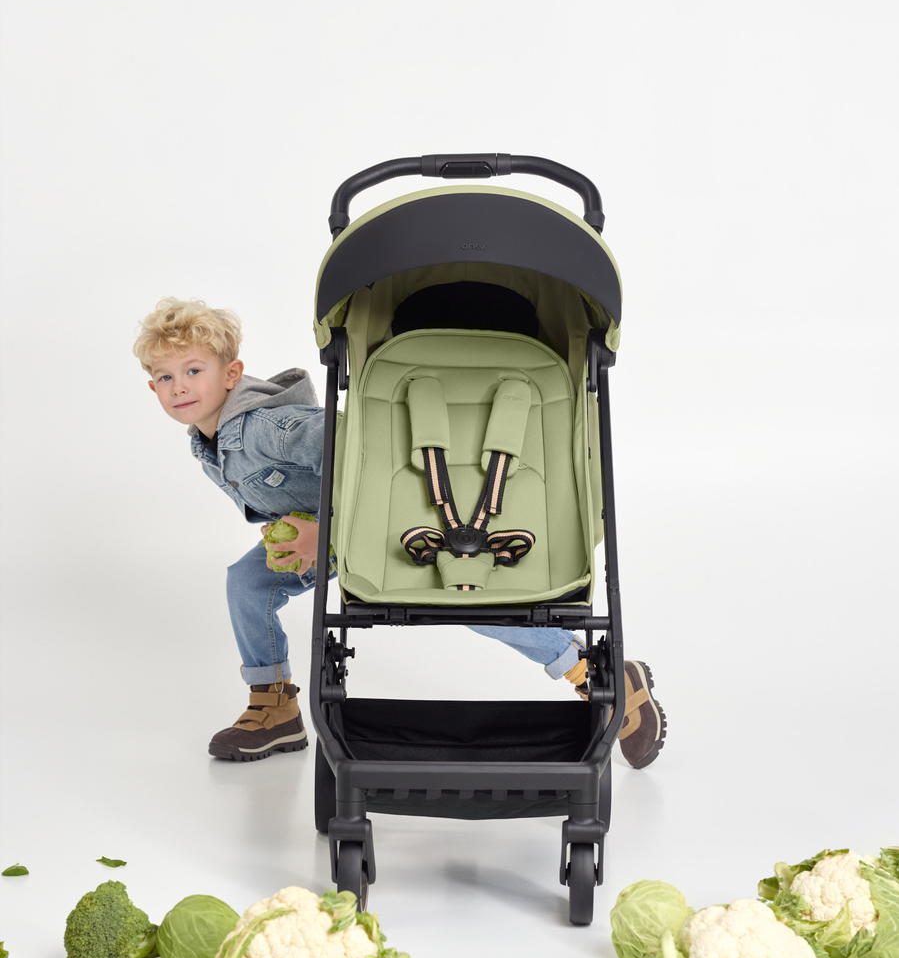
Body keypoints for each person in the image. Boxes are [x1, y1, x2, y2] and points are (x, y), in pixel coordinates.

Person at [133, 298, 666, 769]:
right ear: (152, 386)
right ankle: (275, 705)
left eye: (193, 370)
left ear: (232, 374)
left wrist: (323, 529)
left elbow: (364, 450)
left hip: (384, 522)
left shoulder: (267, 430)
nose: (180, 387)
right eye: (165, 377)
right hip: (324, 538)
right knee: (247, 583)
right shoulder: (208, 441)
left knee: (465, 600)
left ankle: (592, 672)